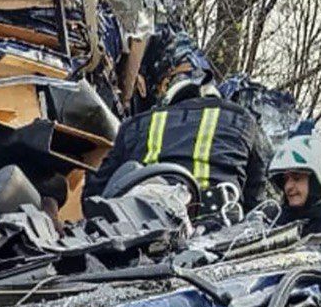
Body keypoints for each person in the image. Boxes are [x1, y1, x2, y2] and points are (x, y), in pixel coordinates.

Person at [85, 73, 272, 210]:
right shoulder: (242, 119)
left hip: (142, 218)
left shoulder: (137, 124)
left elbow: (94, 192)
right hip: (217, 220)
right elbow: (256, 196)